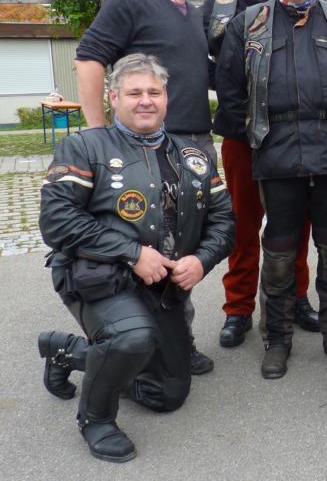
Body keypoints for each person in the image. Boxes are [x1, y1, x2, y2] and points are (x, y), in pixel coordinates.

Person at [36, 54, 234, 463]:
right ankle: (95, 419)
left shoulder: (194, 154)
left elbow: (224, 221)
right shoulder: (84, 147)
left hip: (161, 285)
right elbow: (57, 221)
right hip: (98, 277)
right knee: (132, 339)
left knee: (168, 394)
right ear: (113, 98)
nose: (146, 100)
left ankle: (68, 351)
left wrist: (201, 260)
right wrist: (131, 253)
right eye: (134, 93)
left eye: (154, 92)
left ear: (166, 98)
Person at [215, 0, 327, 379]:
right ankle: (278, 339)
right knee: (280, 251)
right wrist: (256, 141)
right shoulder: (249, 24)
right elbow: (230, 91)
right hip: (276, 154)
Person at [75, 0, 216, 374]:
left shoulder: (191, 12)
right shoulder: (132, 1)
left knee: (182, 249)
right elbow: (89, 57)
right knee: (140, 248)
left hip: (191, 148)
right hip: (144, 151)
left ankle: (172, 340)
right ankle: (125, 343)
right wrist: (99, 133)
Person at [202, 0, 319, 347]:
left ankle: (298, 297)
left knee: (295, 223)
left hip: (290, 137)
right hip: (241, 137)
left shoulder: (299, 4)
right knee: (242, 223)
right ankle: (238, 308)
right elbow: (209, 67)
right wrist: (245, 117)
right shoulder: (218, 8)